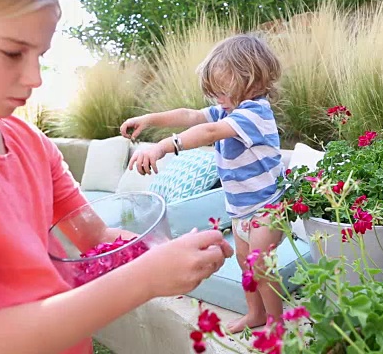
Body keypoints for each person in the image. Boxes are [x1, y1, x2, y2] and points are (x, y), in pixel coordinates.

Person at [0, 0, 233, 354]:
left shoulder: (30, 142)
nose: (35, 78)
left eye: (40, 55)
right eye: (13, 52)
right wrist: (146, 278)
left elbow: (96, 235)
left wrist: (170, 253)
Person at [120, 34, 286, 333]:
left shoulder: (254, 113)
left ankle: (276, 322)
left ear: (250, 79)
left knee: (260, 265)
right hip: (241, 208)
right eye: (214, 92)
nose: (217, 99)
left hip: (267, 206)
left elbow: (208, 131)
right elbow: (191, 115)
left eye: (222, 90)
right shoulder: (228, 109)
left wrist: (162, 147)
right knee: (245, 262)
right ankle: (256, 314)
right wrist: (151, 119)